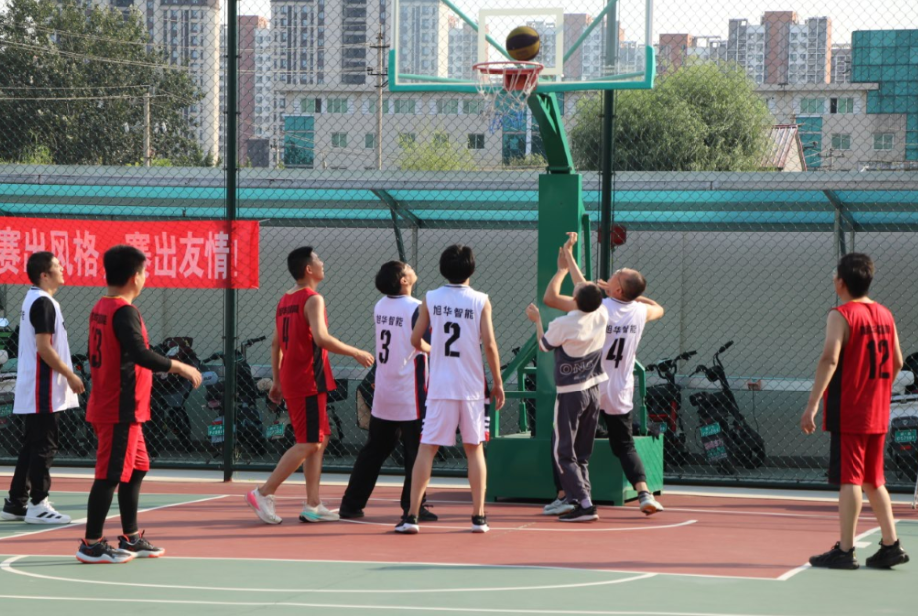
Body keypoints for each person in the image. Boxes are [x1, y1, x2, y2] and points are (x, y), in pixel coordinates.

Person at [77, 245, 203, 564]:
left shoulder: (102, 306)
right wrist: (180, 366)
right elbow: (139, 353)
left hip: (124, 406)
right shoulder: (124, 311)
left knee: (138, 467)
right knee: (109, 475)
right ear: (135, 277)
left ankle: (131, 537)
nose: (147, 277)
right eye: (145, 272)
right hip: (118, 407)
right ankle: (91, 544)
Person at [246, 247, 374, 524]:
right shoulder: (313, 299)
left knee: (320, 439)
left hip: (297, 379)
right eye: (318, 260)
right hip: (307, 380)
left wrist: (277, 381)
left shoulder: (285, 300)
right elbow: (322, 338)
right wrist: (355, 352)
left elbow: (275, 344)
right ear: (308, 269)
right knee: (309, 442)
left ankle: (313, 504)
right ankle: (263, 492)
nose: (322, 263)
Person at [543, 232, 665, 517]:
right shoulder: (639, 312)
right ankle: (644, 493)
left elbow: (569, 295)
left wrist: (567, 261)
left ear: (618, 290)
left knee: (564, 443)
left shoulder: (600, 308)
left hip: (591, 384)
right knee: (624, 445)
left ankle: (565, 495)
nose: (613, 274)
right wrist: (632, 295)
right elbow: (658, 308)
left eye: (616, 277)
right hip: (621, 389)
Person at [801, 253, 909, 570]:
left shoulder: (841, 315)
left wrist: (812, 404)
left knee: (850, 478)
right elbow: (897, 361)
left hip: (851, 409)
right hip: (878, 408)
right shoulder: (885, 314)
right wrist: (878, 388)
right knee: (874, 479)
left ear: (841, 282)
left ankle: (846, 550)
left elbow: (829, 359)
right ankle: (891, 544)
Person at [396, 244, 505, 534]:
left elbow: (415, 339)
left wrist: (433, 350)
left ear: (443, 268)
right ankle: (479, 517)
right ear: (472, 269)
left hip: (440, 387)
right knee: (474, 448)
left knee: (427, 448)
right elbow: (489, 344)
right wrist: (498, 382)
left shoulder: (431, 298)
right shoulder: (481, 300)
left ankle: (412, 516)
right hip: (471, 387)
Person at [339, 261, 436, 522]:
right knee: (417, 452)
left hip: (384, 390)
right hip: (410, 392)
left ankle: (351, 504)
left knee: (374, 450)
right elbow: (425, 342)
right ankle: (414, 506)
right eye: (407, 267)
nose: (412, 268)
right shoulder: (417, 308)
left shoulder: (381, 305)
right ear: (403, 280)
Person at [527, 240, 608, 523]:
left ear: (575, 299)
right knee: (581, 453)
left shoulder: (564, 324)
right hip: (594, 390)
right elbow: (582, 284)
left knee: (563, 452)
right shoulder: (601, 313)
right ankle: (580, 498)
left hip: (571, 393)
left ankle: (585, 504)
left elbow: (543, 345)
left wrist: (537, 320)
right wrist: (571, 256)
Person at [1, 252, 84, 525]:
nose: (63, 269)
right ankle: (38, 504)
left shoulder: (34, 299)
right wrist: (70, 375)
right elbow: (44, 347)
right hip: (44, 386)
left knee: (32, 445)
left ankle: (17, 502)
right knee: (45, 445)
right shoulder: (43, 302)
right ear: (45, 275)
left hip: (37, 385)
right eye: (58, 266)